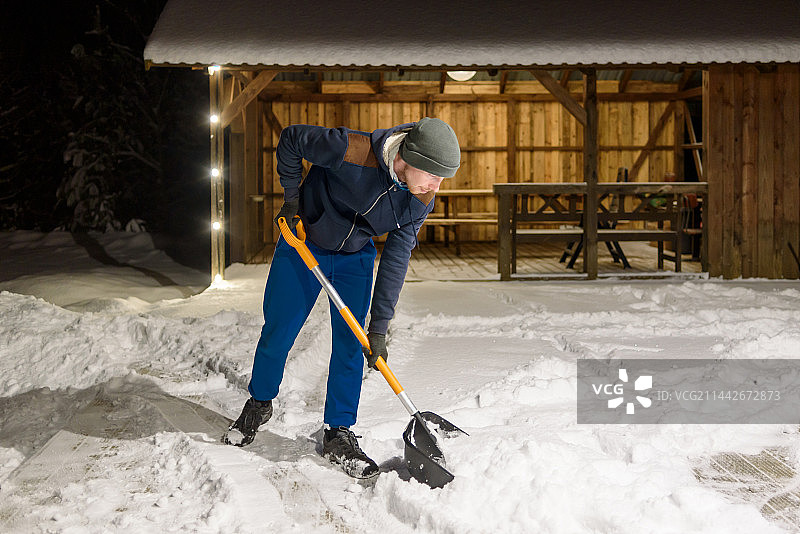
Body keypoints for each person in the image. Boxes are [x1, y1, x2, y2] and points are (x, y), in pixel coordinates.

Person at [223, 118, 461, 479]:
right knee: (279, 331)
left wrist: (378, 329)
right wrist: (291, 199)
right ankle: (258, 403)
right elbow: (290, 140)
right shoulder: (350, 149)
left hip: (355, 257)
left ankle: (338, 433)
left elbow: (396, 260)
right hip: (303, 243)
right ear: (408, 158)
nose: (436, 186)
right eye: (433, 174)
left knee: (352, 344)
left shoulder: (419, 199)